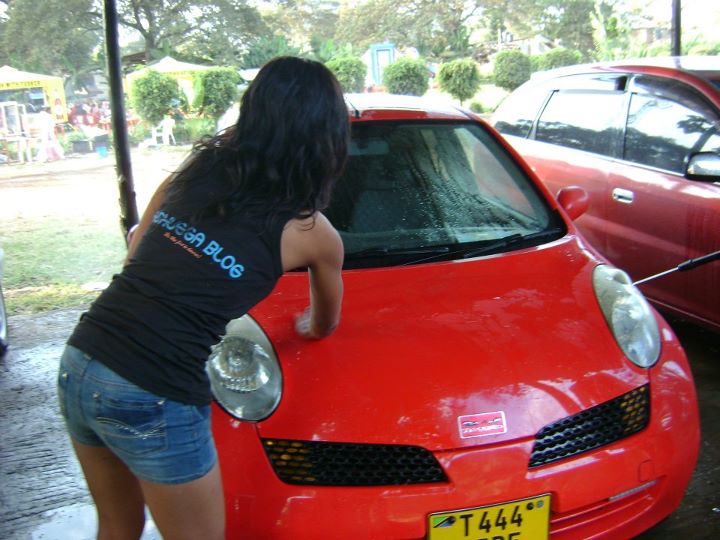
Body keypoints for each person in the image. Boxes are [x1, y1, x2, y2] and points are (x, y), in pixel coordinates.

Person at [57, 56, 349, 540]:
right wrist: (306, 325)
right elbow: (324, 323)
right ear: (328, 137)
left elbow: (136, 250)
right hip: (152, 389)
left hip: (82, 359)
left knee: (117, 526)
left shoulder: (197, 169)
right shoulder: (311, 232)